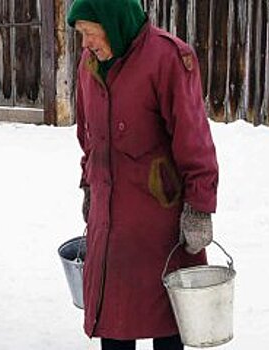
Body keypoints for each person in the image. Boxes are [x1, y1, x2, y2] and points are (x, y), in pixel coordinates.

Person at [67, 0, 219, 349]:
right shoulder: (90, 63)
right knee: (114, 321)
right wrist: (89, 185)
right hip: (112, 224)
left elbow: (194, 138)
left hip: (161, 223)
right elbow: (87, 136)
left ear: (115, 22)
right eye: (81, 35)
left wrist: (199, 208)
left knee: (166, 322)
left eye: (91, 32)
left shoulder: (168, 59)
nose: (86, 43)